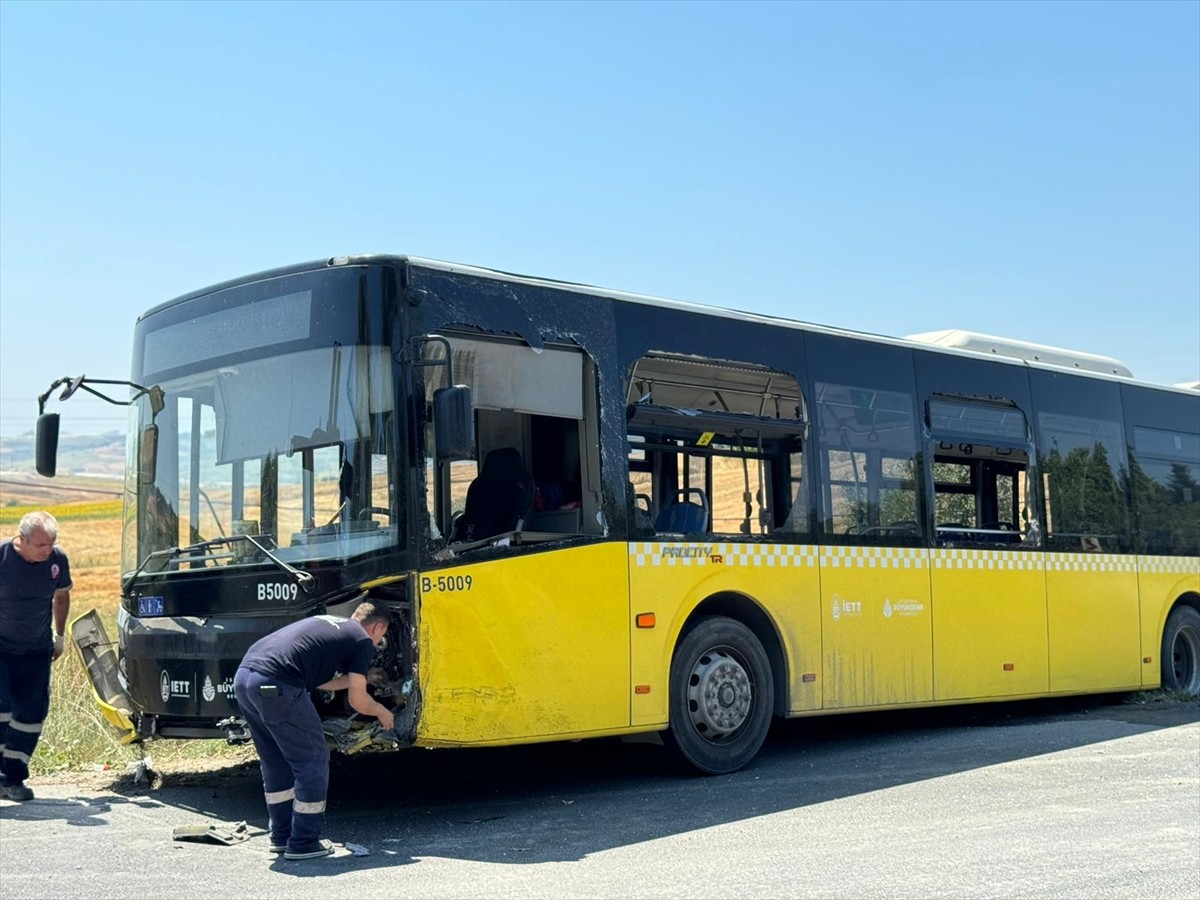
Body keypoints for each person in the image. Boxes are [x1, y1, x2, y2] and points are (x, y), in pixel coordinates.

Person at [233, 600, 394, 860]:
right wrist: (381, 711)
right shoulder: (362, 640)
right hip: (279, 684)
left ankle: (281, 837)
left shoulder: (329, 623)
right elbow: (358, 701)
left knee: (276, 760)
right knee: (313, 759)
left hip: (245, 679)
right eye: (381, 637)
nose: (377, 643)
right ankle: (304, 842)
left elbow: (322, 681)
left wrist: (366, 677)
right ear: (377, 628)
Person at [0, 510, 72, 802]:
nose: (47, 550)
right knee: (1, 709)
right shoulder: (3, 557)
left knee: (32, 715)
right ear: (22, 539)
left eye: (51, 544)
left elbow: (62, 596)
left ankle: (12, 777)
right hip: (2, 646)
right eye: (41, 545)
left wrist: (60, 636)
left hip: (36, 649)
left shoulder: (58, 560)